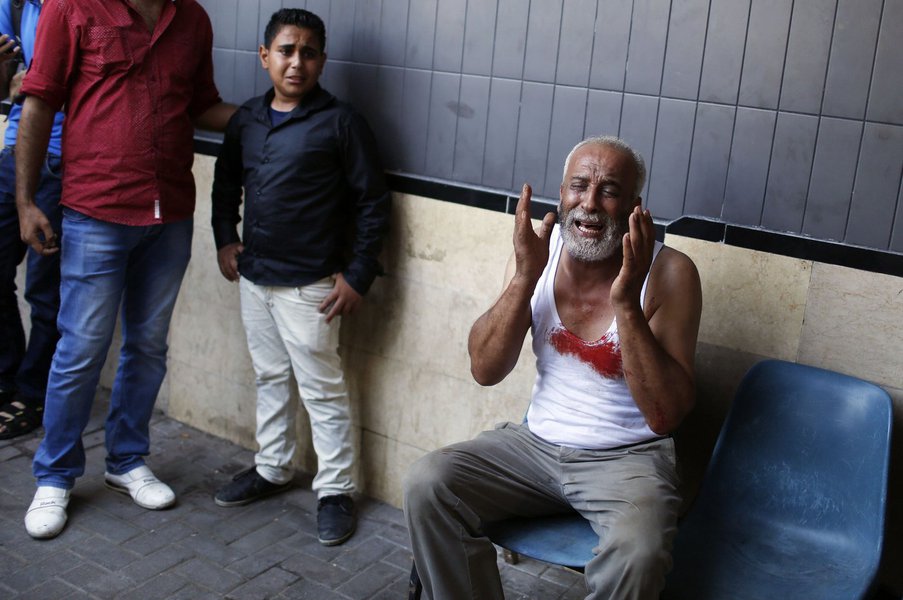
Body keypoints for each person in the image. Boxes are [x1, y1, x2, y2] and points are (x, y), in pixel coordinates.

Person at [404, 136, 703, 599]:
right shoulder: (539, 256)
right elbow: (485, 368)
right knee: (428, 484)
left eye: (608, 191)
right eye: (578, 187)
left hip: (626, 459)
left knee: (638, 552)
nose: (589, 204)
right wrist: (526, 275)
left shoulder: (670, 272)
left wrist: (626, 301)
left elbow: (664, 416)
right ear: (560, 193)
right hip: (534, 446)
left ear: (633, 206)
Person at [15, 0, 236, 539]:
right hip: (96, 211)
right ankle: (55, 474)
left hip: (170, 214)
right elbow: (40, 101)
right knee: (81, 347)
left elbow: (202, 105)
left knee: (148, 345)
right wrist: (26, 202)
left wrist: (278, 110)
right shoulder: (72, 9)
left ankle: (126, 460)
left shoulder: (193, 20)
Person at [210, 8, 390, 547]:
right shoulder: (246, 119)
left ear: (322, 61)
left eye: (308, 52)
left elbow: (372, 205)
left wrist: (358, 276)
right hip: (255, 277)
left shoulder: (340, 122)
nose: (297, 62)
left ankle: (335, 490)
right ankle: (272, 468)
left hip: (312, 285)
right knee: (269, 377)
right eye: (286, 51)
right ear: (264, 56)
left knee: (322, 389)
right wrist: (225, 238)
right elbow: (224, 187)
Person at [0, 0, 64, 440]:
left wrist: (38, 81)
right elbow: (5, 86)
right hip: (13, 152)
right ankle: (6, 376)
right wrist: (9, 78)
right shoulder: (16, 2)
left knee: (45, 288)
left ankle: (32, 390)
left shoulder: (83, 8)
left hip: (65, 158)